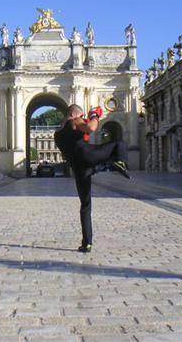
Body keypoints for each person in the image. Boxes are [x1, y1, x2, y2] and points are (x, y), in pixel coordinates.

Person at [54, 104, 130, 253]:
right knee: (120, 143)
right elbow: (90, 128)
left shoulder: (57, 133)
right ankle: (119, 162)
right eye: (82, 116)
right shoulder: (73, 122)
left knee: (85, 205)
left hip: (78, 168)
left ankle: (86, 243)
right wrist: (94, 116)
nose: (83, 119)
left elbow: (75, 140)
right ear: (74, 115)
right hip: (88, 156)